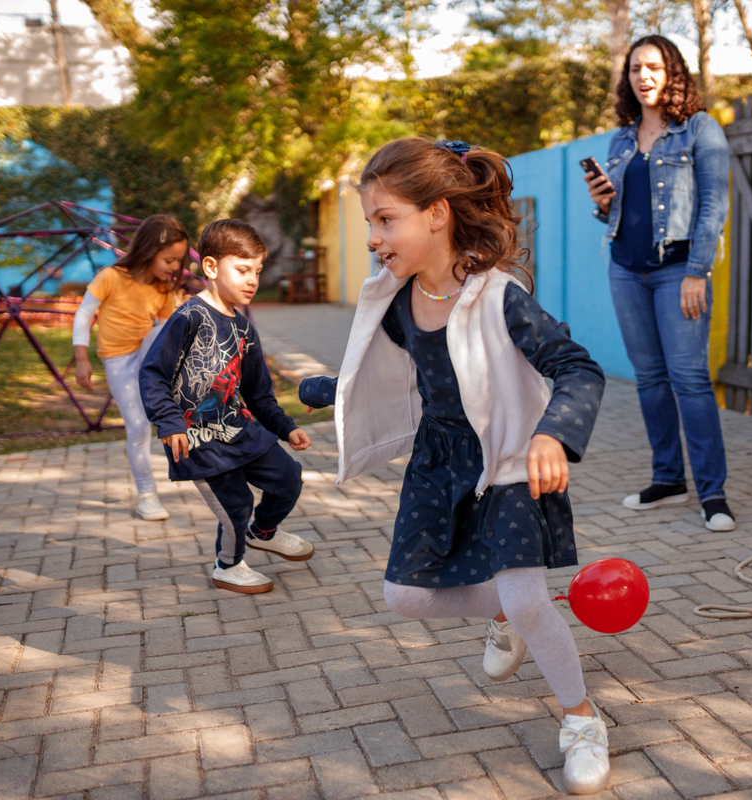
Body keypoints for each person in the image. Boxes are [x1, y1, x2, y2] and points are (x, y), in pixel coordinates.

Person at [298, 137, 611, 795]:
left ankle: (581, 717)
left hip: (509, 460)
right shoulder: (394, 299)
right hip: (440, 466)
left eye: (387, 220)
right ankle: (509, 611)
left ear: (437, 213)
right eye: (370, 224)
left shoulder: (500, 299)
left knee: (529, 597)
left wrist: (554, 435)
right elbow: (390, 375)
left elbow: (577, 367)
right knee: (404, 595)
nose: (375, 238)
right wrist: (329, 390)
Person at [584, 35, 736, 532]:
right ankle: (668, 477)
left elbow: (714, 206)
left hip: (678, 271)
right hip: (626, 269)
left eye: (652, 67)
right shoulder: (621, 140)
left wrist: (697, 271)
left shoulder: (699, 130)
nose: (642, 76)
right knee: (649, 380)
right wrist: (603, 203)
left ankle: (713, 493)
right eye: (634, 69)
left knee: (689, 380)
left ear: (672, 72)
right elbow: (618, 211)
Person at [139, 220, 315, 594]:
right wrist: (169, 424)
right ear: (211, 268)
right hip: (197, 439)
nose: (252, 280)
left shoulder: (245, 327)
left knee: (288, 479)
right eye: (242, 270)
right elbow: (152, 373)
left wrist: (284, 427)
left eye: (257, 272)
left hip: (241, 428)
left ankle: (263, 532)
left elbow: (259, 391)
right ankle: (228, 566)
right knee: (236, 506)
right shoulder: (189, 317)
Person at [73, 214, 189, 522]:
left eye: (178, 261)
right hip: (117, 362)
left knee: (167, 328)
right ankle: (147, 495)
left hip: (147, 359)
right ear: (150, 249)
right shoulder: (111, 276)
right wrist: (82, 359)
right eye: (170, 260)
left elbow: (167, 335)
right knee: (137, 427)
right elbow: (84, 315)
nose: (174, 267)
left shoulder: (163, 290)